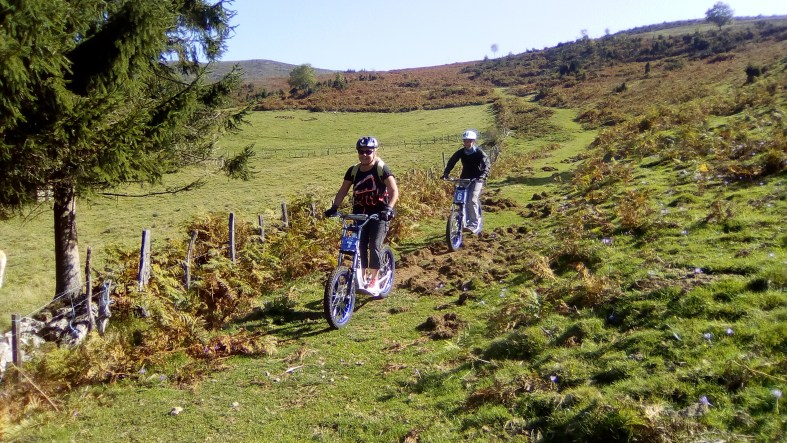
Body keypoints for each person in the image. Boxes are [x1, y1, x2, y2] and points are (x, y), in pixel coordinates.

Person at [325, 136, 399, 289]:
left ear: (375, 151)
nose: (364, 154)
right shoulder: (353, 171)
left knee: (374, 245)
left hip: (379, 215)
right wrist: (334, 207)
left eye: (368, 151)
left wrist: (389, 208)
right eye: (361, 151)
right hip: (359, 214)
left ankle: (374, 279)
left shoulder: (381, 168)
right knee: (359, 246)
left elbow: (393, 191)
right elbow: (343, 190)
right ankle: (363, 277)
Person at [442, 129, 490, 234]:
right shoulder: (461, 152)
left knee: (471, 200)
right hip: (464, 178)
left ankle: (474, 224)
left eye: (469, 141)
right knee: (460, 200)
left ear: (473, 141)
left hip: (477, 179)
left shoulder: (479, 152)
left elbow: (486, 164)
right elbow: (452, 161)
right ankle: (462, 222)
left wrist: (483, 175)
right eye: (465, 141)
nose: (467, 143)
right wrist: (446, 173)